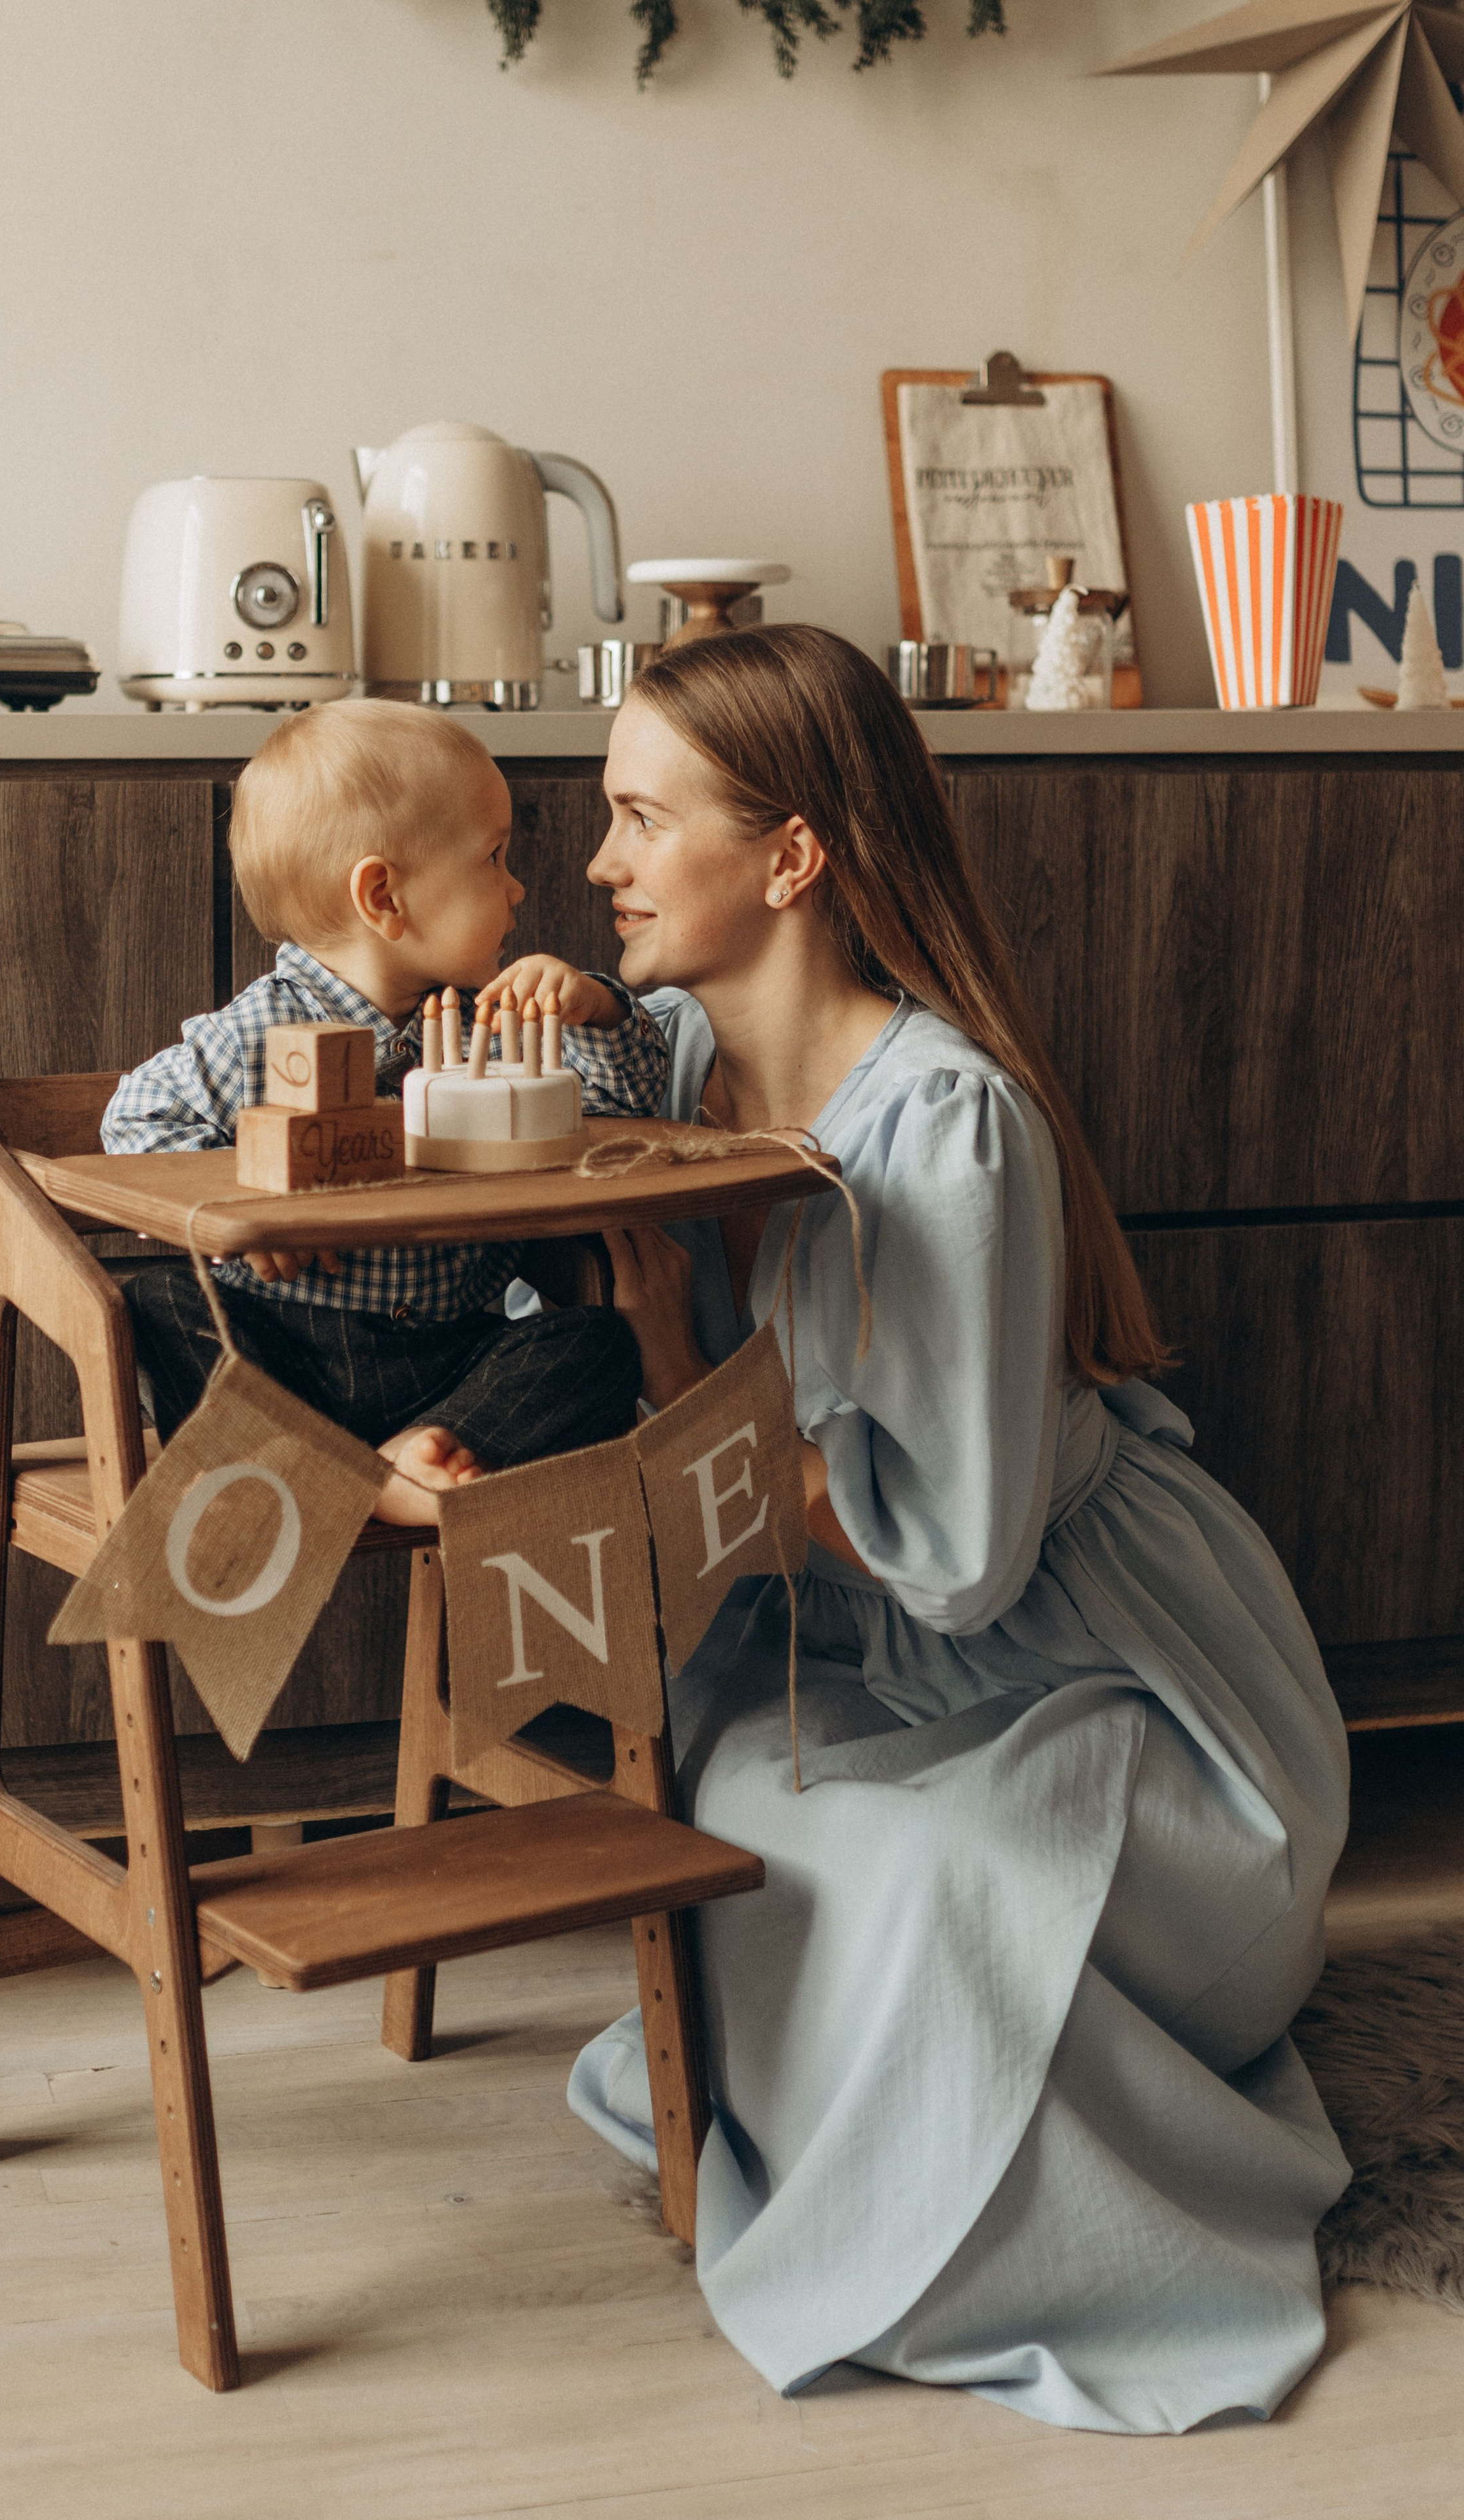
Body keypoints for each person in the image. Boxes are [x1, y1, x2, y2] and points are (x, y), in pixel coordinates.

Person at [563, 626, 1352, 2435]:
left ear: (791, 857)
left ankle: (1017, 2226)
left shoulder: (949, 1127)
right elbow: (559, 1020)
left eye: (636, 819)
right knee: (735, 1823)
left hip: (1089, 1661)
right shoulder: (680, 1069)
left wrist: (683, 1362)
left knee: (940, 1884)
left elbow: (963, 1558)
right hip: (844, 1648)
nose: (602, 863)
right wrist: (553, 990)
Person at [102, 699, 665, 1525]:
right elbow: (134, 1122)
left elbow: (622, 1105)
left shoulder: (488, 1025)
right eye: (494, 858)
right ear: (383, 896)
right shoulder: (260, 1034)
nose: (516, 888)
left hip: (449, 1357)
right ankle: (347, 1475)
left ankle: (415, 1457)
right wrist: (256, 1213)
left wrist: (593, 1012)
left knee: (598, 1344)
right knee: (164, 1305)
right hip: (289, 1353)